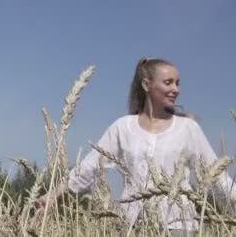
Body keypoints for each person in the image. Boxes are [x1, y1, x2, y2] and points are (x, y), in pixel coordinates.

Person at [33, 57, 236, 235]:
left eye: (177, 83)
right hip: (132, 225)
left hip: (178, 225)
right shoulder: (123, 127)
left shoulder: (188, 128)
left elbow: (216, 176)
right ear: (147, 84)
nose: (176, 89)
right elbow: (89, 167)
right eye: (168, 82)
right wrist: (53, 195)